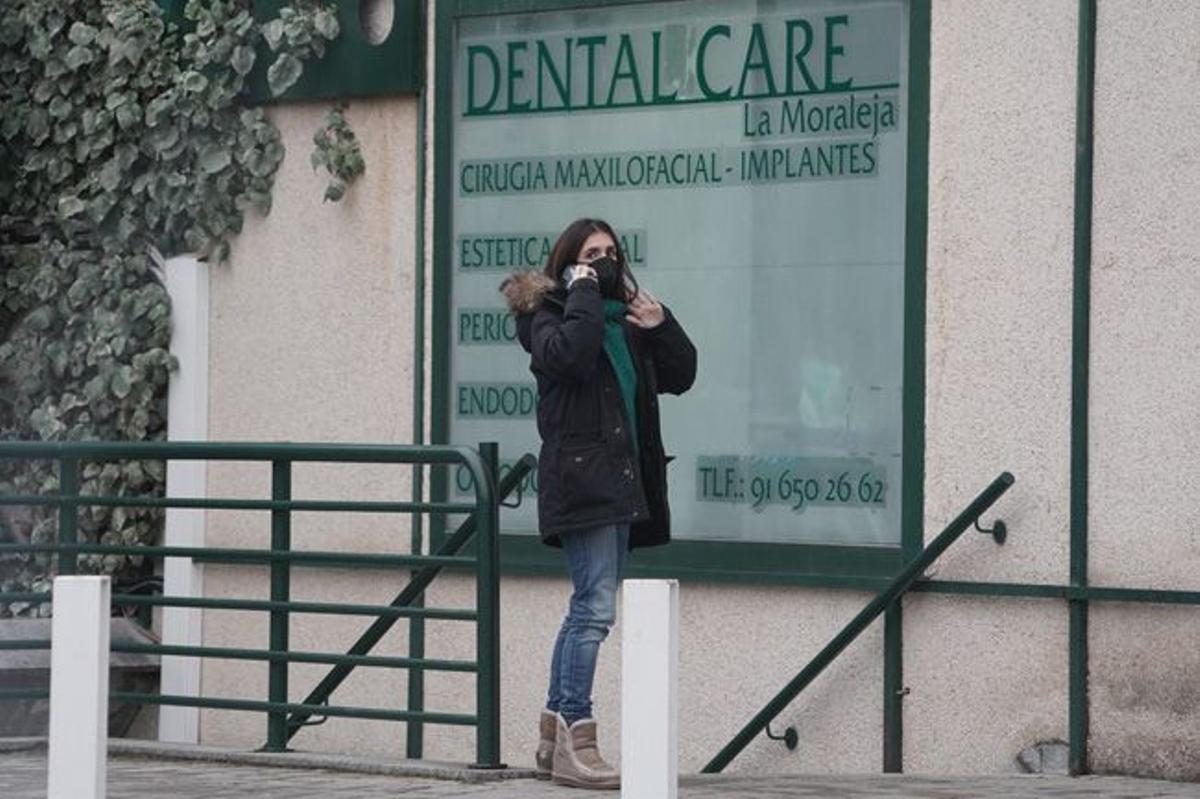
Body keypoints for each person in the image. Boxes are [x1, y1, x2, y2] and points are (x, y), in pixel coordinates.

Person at [501, 218, 697, 789]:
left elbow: (682, 375)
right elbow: (569, 360)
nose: (604, 261)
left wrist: (661, 324)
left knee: (586, 606)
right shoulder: (546, 316)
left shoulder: (624, 324)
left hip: (624, 484)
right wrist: (583, 289)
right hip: (585, 483)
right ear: (567, 261)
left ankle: (553, 734)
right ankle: (576, 736)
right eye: (591, 253)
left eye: (611, 253)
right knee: (594, 610)